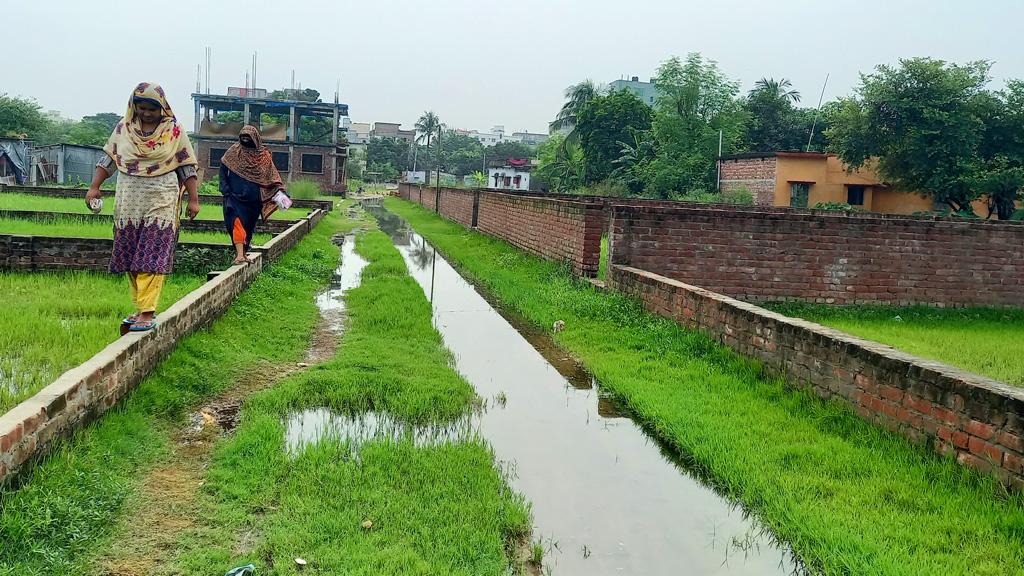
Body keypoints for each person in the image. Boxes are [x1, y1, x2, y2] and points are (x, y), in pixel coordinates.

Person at [85, 82, 200, 332]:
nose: (147, 113)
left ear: (162, 108)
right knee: (132, 255)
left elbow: (186, 166)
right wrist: (94, 187)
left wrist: (193, 199)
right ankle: (140, 308)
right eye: (142, 108)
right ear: (133, 106)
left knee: (152, 253)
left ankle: (148, 312)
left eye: (152, 109)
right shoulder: (124, 129)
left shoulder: (174, 131)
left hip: (162, 197)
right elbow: (109, 159)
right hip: (129, 199)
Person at [218, 125, 287, 264]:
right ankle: (239, 255)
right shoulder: (234, 152)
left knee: (248, 227)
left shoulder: (263, 156)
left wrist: (281, 192)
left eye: (248, 138)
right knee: (236, 223)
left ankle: (243, 253)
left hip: (253, 201)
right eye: (242, 137)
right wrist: (225, 188)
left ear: (255, 139)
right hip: (234, 197)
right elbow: (223, 171)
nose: (245, 140)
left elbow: (272, 175)